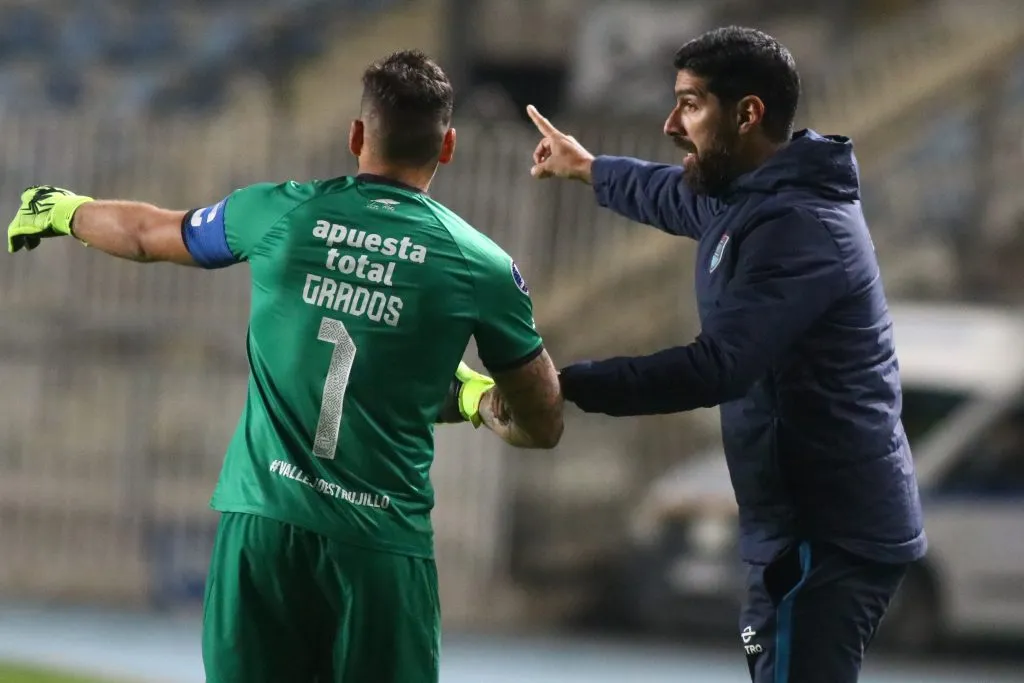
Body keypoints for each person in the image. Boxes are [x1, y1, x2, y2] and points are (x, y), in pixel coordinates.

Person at [6, 50, 564, 683]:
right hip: (378, 546)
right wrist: (468, 399)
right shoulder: (480, 264)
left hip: (263, 528)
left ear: (357, 135)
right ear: (449, 147)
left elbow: (146, 235)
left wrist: (62, 209)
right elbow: (540, 422)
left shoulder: (280, 211)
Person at [524, 26, 926, 683]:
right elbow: (667, 194)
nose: (670, 124)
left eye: (689, 104)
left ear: (747, 114)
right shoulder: (747, 197)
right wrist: (589, 168)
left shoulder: (800, 227)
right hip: (792, 525)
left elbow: (719, 365)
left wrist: (563, 384)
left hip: (830, 533)